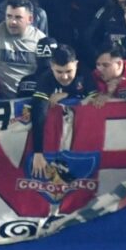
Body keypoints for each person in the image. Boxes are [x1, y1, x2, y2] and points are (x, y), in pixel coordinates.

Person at [27, 44, 93, 178]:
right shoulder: (45, 78)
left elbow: (95, 98)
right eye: (59, 72)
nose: (64, 77)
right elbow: (39, 112)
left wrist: (68, 94)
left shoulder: (85, 72)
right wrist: (38, 152)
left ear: (76, 64)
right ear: (51, 66)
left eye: (69, 71)